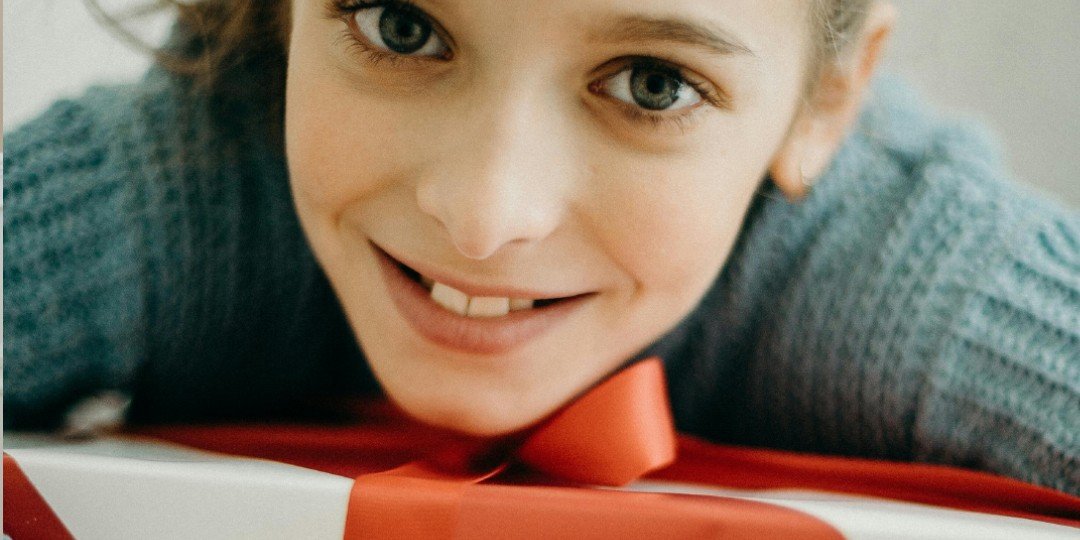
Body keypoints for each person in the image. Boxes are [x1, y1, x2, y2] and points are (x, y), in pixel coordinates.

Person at [4, 0, 1078, 496]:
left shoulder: (906, 276)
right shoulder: (176, 179)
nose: (484, 214)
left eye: (653, 83)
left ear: (826, 103)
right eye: (401, 27)